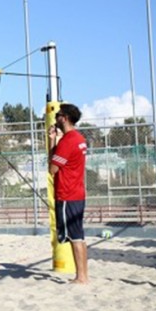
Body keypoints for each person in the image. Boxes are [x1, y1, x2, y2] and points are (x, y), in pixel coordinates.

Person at [49, 103, 89, 284]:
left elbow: (52, 168)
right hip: (77, 193)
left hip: (67, 194)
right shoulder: (79, 138)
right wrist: (52, 140)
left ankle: (81, 277)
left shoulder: (68, 141)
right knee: (78, 236)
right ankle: (82, 276)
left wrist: (55, 143)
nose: (55, 117)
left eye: (58, 114)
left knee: (75, 237)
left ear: (64, 118)